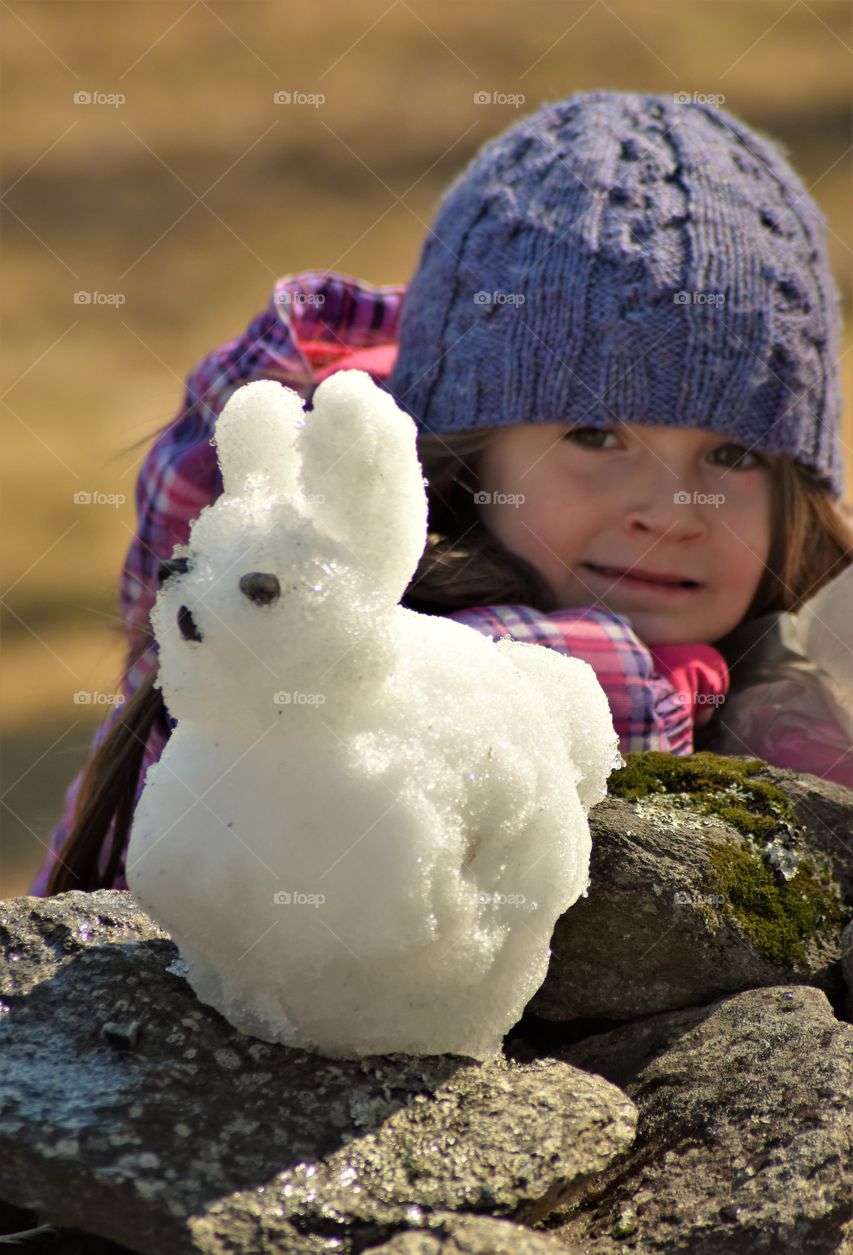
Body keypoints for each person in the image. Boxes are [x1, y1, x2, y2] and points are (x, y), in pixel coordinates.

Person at [30, 89, 853, 899]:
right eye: (594, 437)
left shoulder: (799, 665)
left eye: (732, 454)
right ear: (466, 458)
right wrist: (654, 692)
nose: (672, 512)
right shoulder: (304, 645)